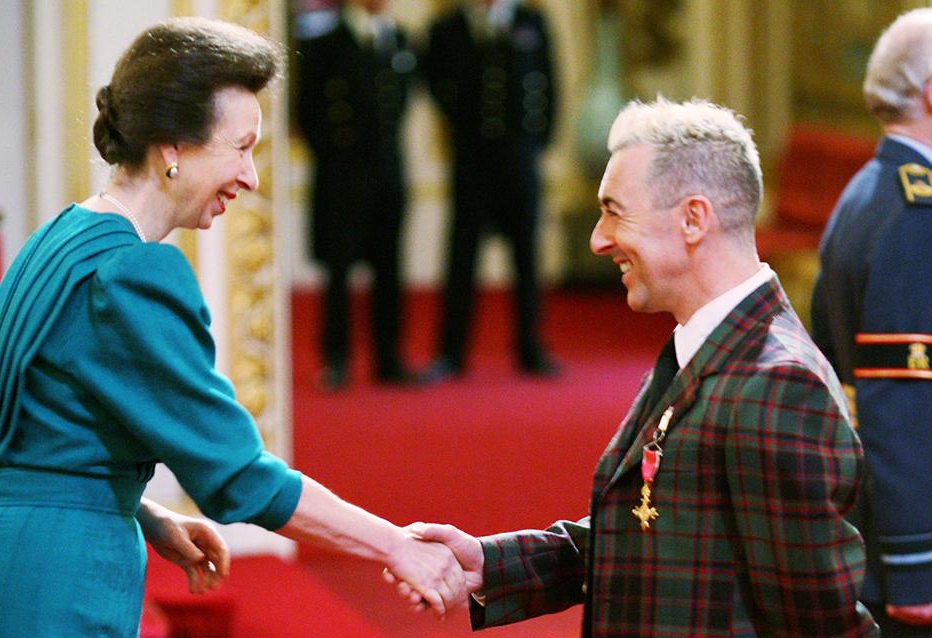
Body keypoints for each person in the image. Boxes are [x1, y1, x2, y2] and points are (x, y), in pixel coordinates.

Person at [0, 17, 466, 637]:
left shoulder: (59, 239)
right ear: (173, 146)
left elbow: (41, 445)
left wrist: (146, 514)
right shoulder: (133, 273)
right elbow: (238, 476)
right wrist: (396, 546)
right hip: (60, 584)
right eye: (242, 147)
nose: (251, 177)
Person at [391, 97, 879, 636]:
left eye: (614, 211)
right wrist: (491, 563)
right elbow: (658, 531)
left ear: (694, 219)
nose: (598, 239)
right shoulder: (710, 345)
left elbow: (819, 623)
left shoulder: (777, 385)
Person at [811, 8, 932, 635]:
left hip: (871, 523)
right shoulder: (916, 215)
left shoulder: (867, 189)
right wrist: (917, 567)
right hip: (911, 550)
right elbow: (901, 401)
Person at [421, 0, 559, 381]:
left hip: (519, 155)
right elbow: (434, 80)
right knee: (462, 255)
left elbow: (549, 82)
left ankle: (530, 347)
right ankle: (451, 352)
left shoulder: (532, 22)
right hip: (471, 158)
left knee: (526, 255)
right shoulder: (447, 28)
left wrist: (537, 142)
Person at [296, 0, 417, 390]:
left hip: (388, 169)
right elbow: (306, 110)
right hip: (343, 171)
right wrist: (335, 156)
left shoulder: (398, 38)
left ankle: (388, 357)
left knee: (390, 266)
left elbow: (402, 99)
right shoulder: (326, 41)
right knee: (339, 268)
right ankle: (336, 359)